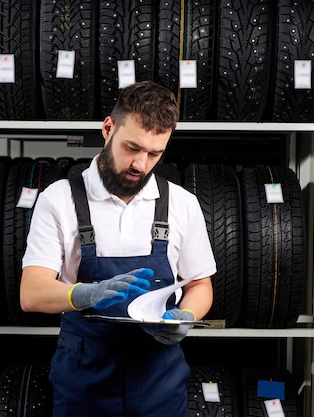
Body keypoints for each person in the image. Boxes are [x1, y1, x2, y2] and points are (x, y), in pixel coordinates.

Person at [19, 80, 216, 417]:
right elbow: (32, 292)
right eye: (132, 148)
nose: (140, 164)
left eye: (154, 153)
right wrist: (86, 294)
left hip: (159, 380)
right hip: (84, 379)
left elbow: (200, 285)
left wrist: (186, 316)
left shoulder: (182, 204)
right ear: (108, 128)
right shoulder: (59, 199)